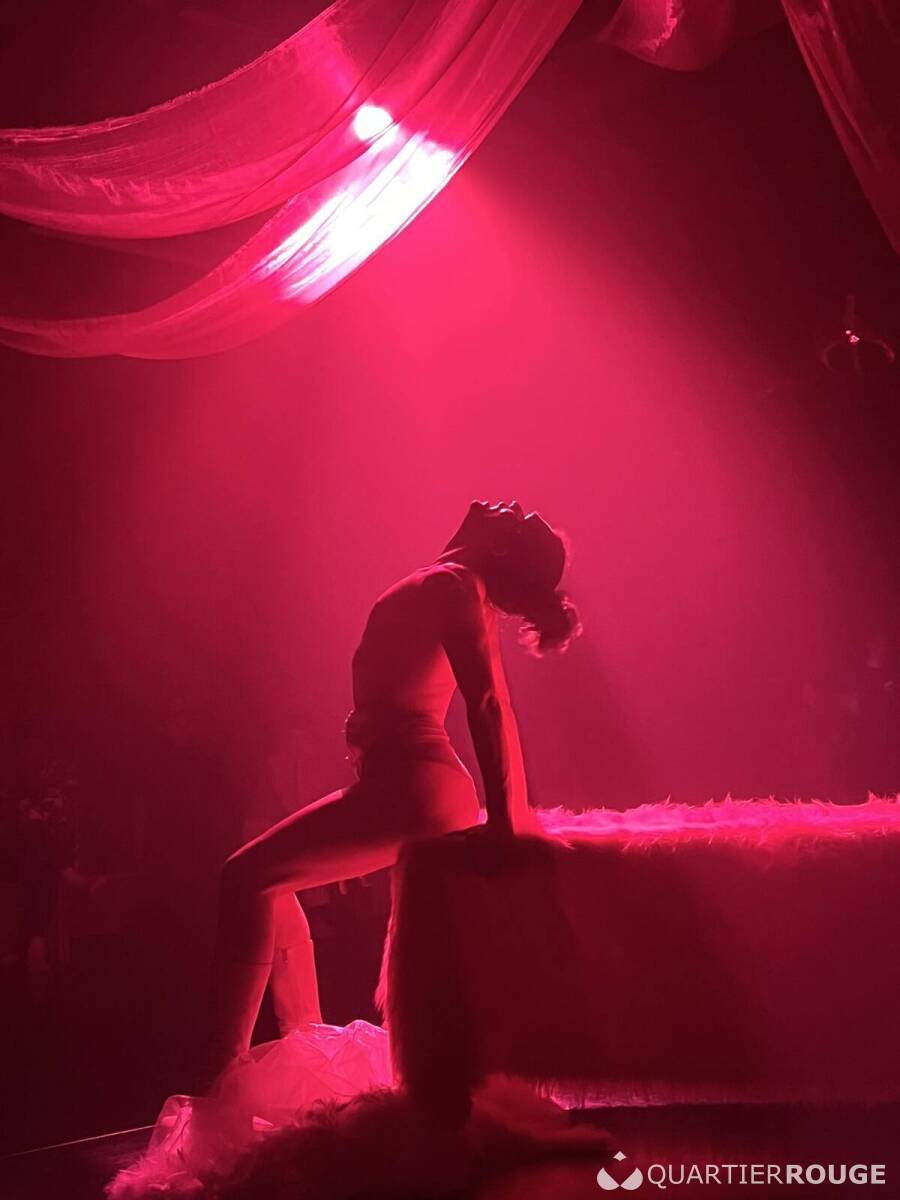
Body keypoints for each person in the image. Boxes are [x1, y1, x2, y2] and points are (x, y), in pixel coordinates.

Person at [204, 500, 581, 1086]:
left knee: (246, 877)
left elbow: (489, 704)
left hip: (416, 787)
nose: (504, 503)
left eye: (517, 515)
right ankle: (305, 1061)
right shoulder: (453, 585)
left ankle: (223, 1076)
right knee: (267, 883)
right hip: (406, 784)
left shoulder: (455, 586)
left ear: (502, 545)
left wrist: (508, 821)